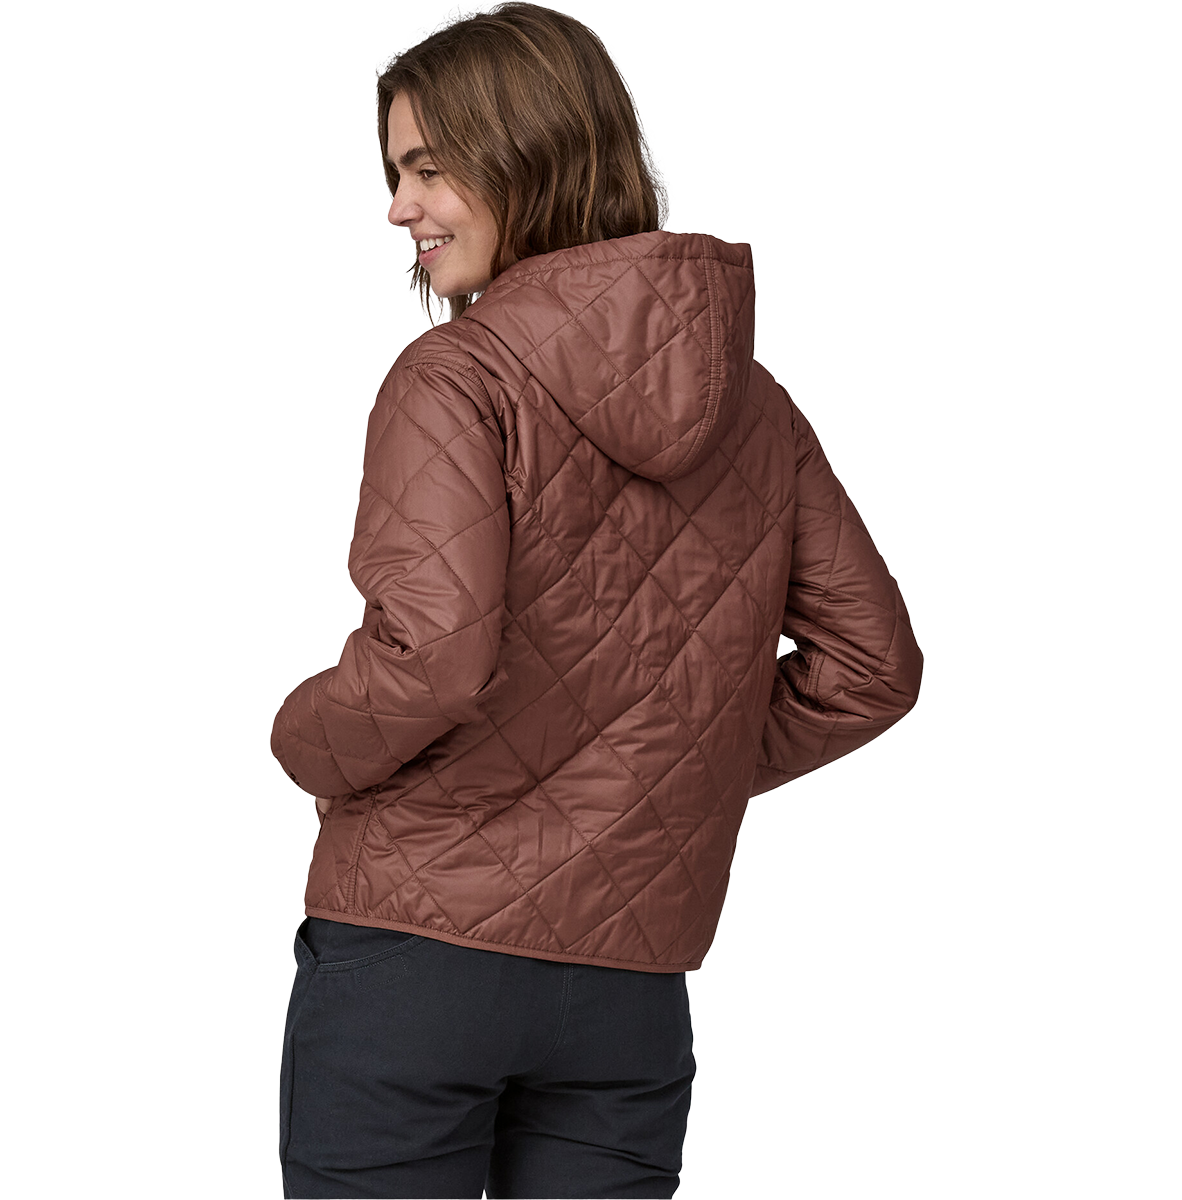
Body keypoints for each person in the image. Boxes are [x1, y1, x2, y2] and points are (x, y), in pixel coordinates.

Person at [272, 3, 924, 1197]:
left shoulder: (455, 378)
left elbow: (432, 658)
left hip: (417, 956)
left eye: (428, 169)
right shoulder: (756, 407)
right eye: (394, 174)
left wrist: (303, 741)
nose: (399, 208)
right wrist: (648, 777)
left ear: (527, 156)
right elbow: (871, 666)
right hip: (627, 991)